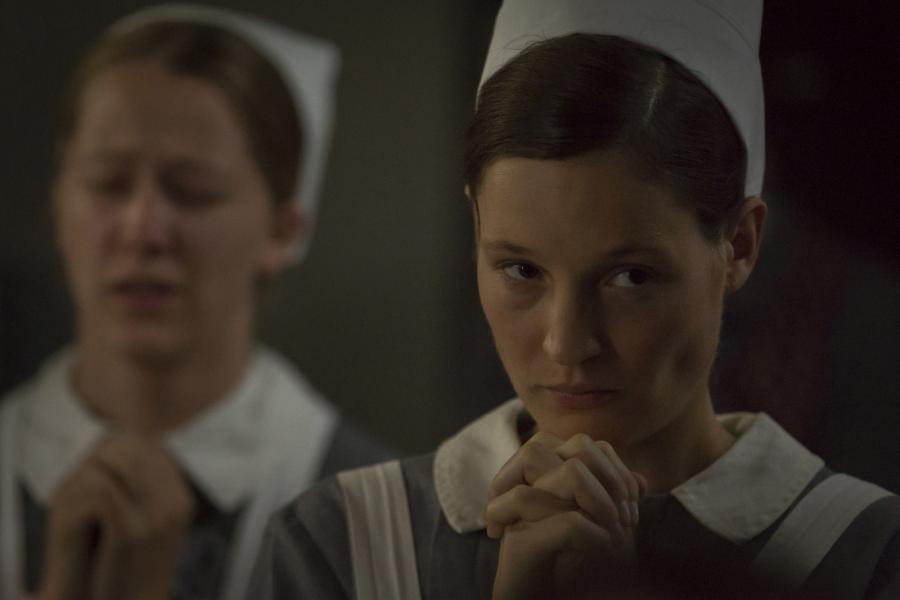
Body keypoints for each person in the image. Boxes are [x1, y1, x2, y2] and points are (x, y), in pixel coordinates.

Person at [248, 0, 900, 598]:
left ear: (740, 244)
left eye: (630, 277)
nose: (566, 343)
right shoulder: (344, 545)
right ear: (475, 227)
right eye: (521, 269)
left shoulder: (865, 556)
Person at [0, 5, 391, 600]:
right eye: (108, 183)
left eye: (193, 192)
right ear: (59, 206)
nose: (142, 228)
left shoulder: (368, 514)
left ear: (282, 231)